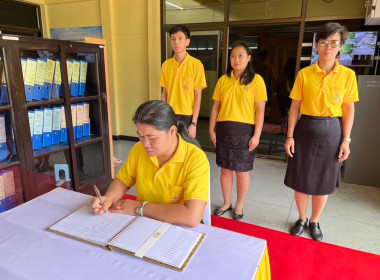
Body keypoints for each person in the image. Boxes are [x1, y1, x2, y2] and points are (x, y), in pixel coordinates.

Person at [284, 22, 359, 241]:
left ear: (341, 47)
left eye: (333, 43)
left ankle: (314, 220)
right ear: (317, 45)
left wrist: (346, 140)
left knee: (323, 181)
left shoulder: (347, 76)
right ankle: (301, 218)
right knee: (301, 178)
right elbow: (294, 108)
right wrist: (289, 136)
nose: (328, 47)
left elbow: (348, 109)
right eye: (324, 42)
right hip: (305, 128)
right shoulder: (304, 74)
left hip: (332, 131)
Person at [92, 100, 209, 228]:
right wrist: (109, 197)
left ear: (172, 131)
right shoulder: (139, 150)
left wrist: (139, 208)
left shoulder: (195, 159)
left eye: (152, 137)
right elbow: (123, 181)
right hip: (144, 222)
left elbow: (191, 217)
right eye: (141, 136)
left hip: (176, 226)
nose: (145, 144)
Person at [209, 41, 267, 221]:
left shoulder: (256, 80)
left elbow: (260, 111)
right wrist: (211, 129)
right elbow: (216, 108)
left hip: (245, 132)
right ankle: (227, 203)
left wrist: (256, 135)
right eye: (233, 55)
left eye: (241, 55)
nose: (236, 59)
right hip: (224, 130)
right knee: (225, 170)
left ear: (249, 58)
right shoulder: (223, 80)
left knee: (242, 171)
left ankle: (239, 205)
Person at [160, 24, 207, 138]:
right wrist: (163, 115)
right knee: (169, 147)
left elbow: (198, 96)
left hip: (188, 116)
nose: (176, 42)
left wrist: (194, 123)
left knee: (185, 148)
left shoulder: (196, 65)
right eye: (173, 39)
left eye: (180, 39)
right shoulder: (166, 65)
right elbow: (164, 93)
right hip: (170, 114)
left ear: (187, 42)